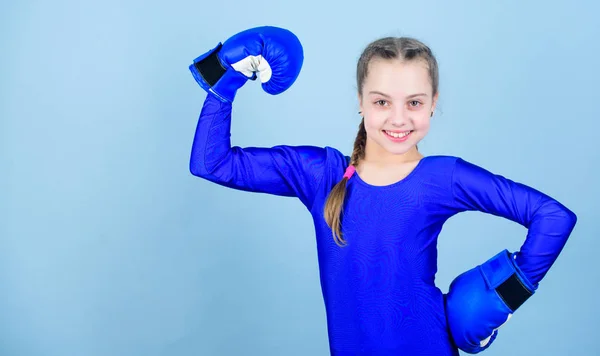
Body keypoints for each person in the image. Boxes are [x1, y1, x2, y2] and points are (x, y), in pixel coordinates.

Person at [187, 26, 577, 355]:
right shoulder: (320, 174)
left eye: (414, 102)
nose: (398, 118)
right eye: (381, 101)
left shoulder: (443, 177)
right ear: (360, 101)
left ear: (433, 105)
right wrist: (227, 79)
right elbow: (211, 163)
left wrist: (504, 293)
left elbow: (554, 217)